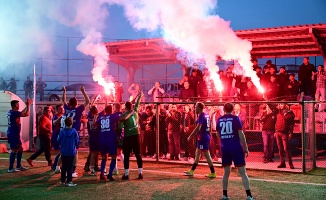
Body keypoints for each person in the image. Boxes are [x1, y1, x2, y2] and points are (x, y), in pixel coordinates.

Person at [216, 103, 253, 200]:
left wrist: (225, 139)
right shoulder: (236, 119)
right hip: (236, 147)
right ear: (232, 109)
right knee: (242, 172)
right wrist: (245, 148)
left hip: (225, 147)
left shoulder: (219, 119)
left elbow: (218, 134)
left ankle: (224, 195)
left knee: (226, 172)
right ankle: (249, 195)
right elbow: (241, 134)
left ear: (224, 109)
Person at [62, 85, 90, 178]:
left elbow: (63, 101)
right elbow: (88, 101)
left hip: (65, 131)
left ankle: (64, 170)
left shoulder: (67, 108)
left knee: (65, 151)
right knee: (74, 152)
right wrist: (83, 91)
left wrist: (64, 91)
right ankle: (72, 171)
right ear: (76, 103)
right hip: (74, 132)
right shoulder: (78, 110)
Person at [184, 102, 216, 178]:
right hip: (204, 137)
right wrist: (209, 133)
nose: (195, 109)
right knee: (197, 154)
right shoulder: (206, 115)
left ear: (199, 108)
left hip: (202, 138)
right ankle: (192, 170)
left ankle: (213, 172)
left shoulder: (201, 115)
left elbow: (198, 127)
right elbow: (210, 125)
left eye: (196, 107)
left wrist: (191, 136)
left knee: (207, 155)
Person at [118, 91, 144, 180]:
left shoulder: (124, 115)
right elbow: (137, 104)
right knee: (138, 154)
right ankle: (140, 173)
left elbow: (120, 127)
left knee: (127, 155)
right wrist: (140, 96)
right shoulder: (135, 111)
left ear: (125, 107)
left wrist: (118, 136)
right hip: (136, 135)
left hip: (128, 136)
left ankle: (126, 174)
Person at [7, 98, 32, 172]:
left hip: (13, 133)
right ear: (15, 105)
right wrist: (29, 105)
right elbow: (27, 114)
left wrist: (27, 105)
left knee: (20, 148)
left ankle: (18, 166)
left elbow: (20, 112)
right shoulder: (15, 113)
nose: (19, 105)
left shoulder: (12, 112)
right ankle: (10, 168)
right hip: (13, 134)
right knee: (14, 150)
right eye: (18, 104)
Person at [95, 104, 119, 181]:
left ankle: (102, 173)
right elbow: (120, 118)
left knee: (104, 157)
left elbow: (95, 123)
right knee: (114, 156)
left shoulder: (101, 117)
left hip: (102, 139)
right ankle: (110, 174)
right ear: (111, 110)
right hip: (111, 139)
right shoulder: (112, 116)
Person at [57, 117, 79, 186]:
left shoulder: (62, 131)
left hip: (64, 151)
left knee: (64, 166)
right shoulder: (74, 131)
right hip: (71, 151)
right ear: (72, 123)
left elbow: (58, 140)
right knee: (70, 167)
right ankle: (69, 181)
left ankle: (62, 180)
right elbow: (77, 141)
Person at [274, 100, 295, 169]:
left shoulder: (290, 114)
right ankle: (282, 163)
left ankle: (290, 163)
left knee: (286, 148)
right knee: (280, 148)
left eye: (282, 104)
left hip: (284, 133)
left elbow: (291, 125)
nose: (280, 105)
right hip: (278, 132)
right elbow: (271, 106)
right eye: (280, 104)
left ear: (286, 105)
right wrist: (266, 99)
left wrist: (290, 133)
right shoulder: (279, 112)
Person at [51, 104, 65, 173]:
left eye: (62, 108)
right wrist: (61, 118)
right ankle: (54, 166)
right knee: (60, 152)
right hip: (56, 136)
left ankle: (58, 165)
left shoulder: (64, 116)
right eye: (60, 108)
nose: (62, 110)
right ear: (57, 110)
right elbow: (54, 123)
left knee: (62, 152)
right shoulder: (55, 116)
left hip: (61, 136)